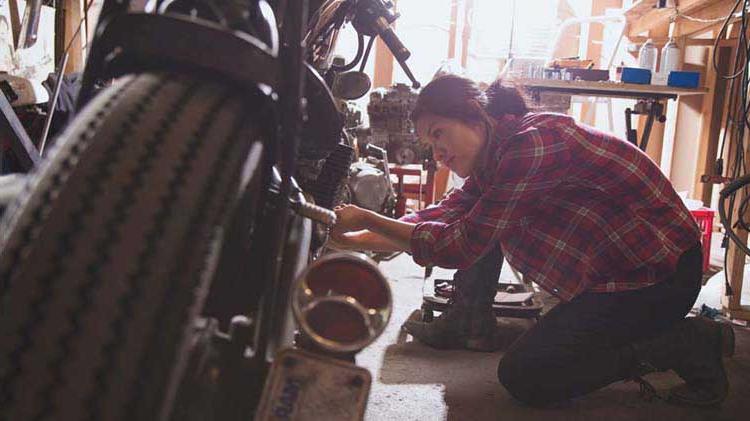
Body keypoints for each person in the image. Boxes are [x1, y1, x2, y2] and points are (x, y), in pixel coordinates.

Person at [330, 74, 734, 407]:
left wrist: (366, 218)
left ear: (475, 115)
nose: (439, 154)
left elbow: (460, 246)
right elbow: (433, 220)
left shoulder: (532, 144)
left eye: (440, 135)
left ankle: (682, 343)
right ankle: (467, 319)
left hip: (658, 278)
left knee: (528, 376)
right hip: (615, 278)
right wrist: (347, 240)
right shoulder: (493, 160)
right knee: (477, 225)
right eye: (431, 145)